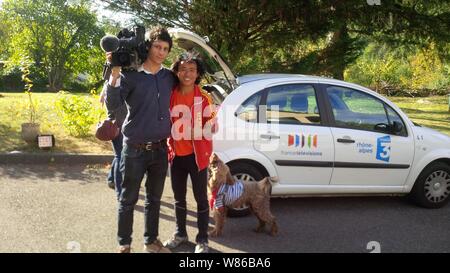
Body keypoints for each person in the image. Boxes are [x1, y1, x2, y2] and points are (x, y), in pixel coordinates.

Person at [105, 26, 175, 253]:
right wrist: (114, 74)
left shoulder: (168, 77)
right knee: (128, 200)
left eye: (165, 48)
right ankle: (124, 245)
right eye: (157, 46)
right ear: (149, 46)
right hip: (134, 149)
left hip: (160, 150)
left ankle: (151, 241)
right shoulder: (131, 76)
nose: (161, 52)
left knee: (154, 200)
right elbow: (113, 105)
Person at [163, 52, 217, 253]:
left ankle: (202, 240)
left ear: (197, 73)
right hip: (176, 155)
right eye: (183, 69)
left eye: (192, 70)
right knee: (179, 198)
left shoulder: (204, 97)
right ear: (176, 71)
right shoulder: (170, 94)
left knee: (201, 198)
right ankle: (180, 234)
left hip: (197, 157)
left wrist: (194, 130)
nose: (187, 73)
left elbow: (213, 126)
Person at [99, 83, 127, 199]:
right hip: (118, 125)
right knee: (120, 156)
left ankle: (111, 179)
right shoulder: (117, 84)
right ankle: (120, 191)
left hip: (114, 124)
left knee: (118, 155)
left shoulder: (109, 84)